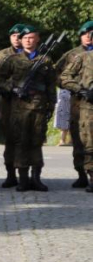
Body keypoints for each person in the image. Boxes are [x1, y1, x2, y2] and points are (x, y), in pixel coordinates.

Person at [0, 25, 56, 191]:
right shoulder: (12, 60)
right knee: (20, 142)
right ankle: (22, 179)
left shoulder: (45, 60)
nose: (29, 41)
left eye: (32, 37)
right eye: (26, 38)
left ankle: (36, 178)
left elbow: (51, 84)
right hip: (18, 108)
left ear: (37, 39)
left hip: (39, 106)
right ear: (21, 40)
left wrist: (52, 104)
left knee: (36, 142)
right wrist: (12, 88)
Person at [55, 21, 93, 188]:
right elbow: (59, 76)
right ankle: (81, 173)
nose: (88, 37)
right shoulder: (73, 55)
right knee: (79, 140)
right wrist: (78, 88)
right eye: (85, 34)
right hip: (78, 104)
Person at [0, 24, 24, 187]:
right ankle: (11, 174)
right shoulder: (2, 56)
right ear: (10, 38)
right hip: (9, 104)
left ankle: (27, 175)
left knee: (29, 140)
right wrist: (6, 88)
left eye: (20, 35)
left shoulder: (33, 55)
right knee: (10, 140)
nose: (17, 38)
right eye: (14, 35)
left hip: (30, 104)